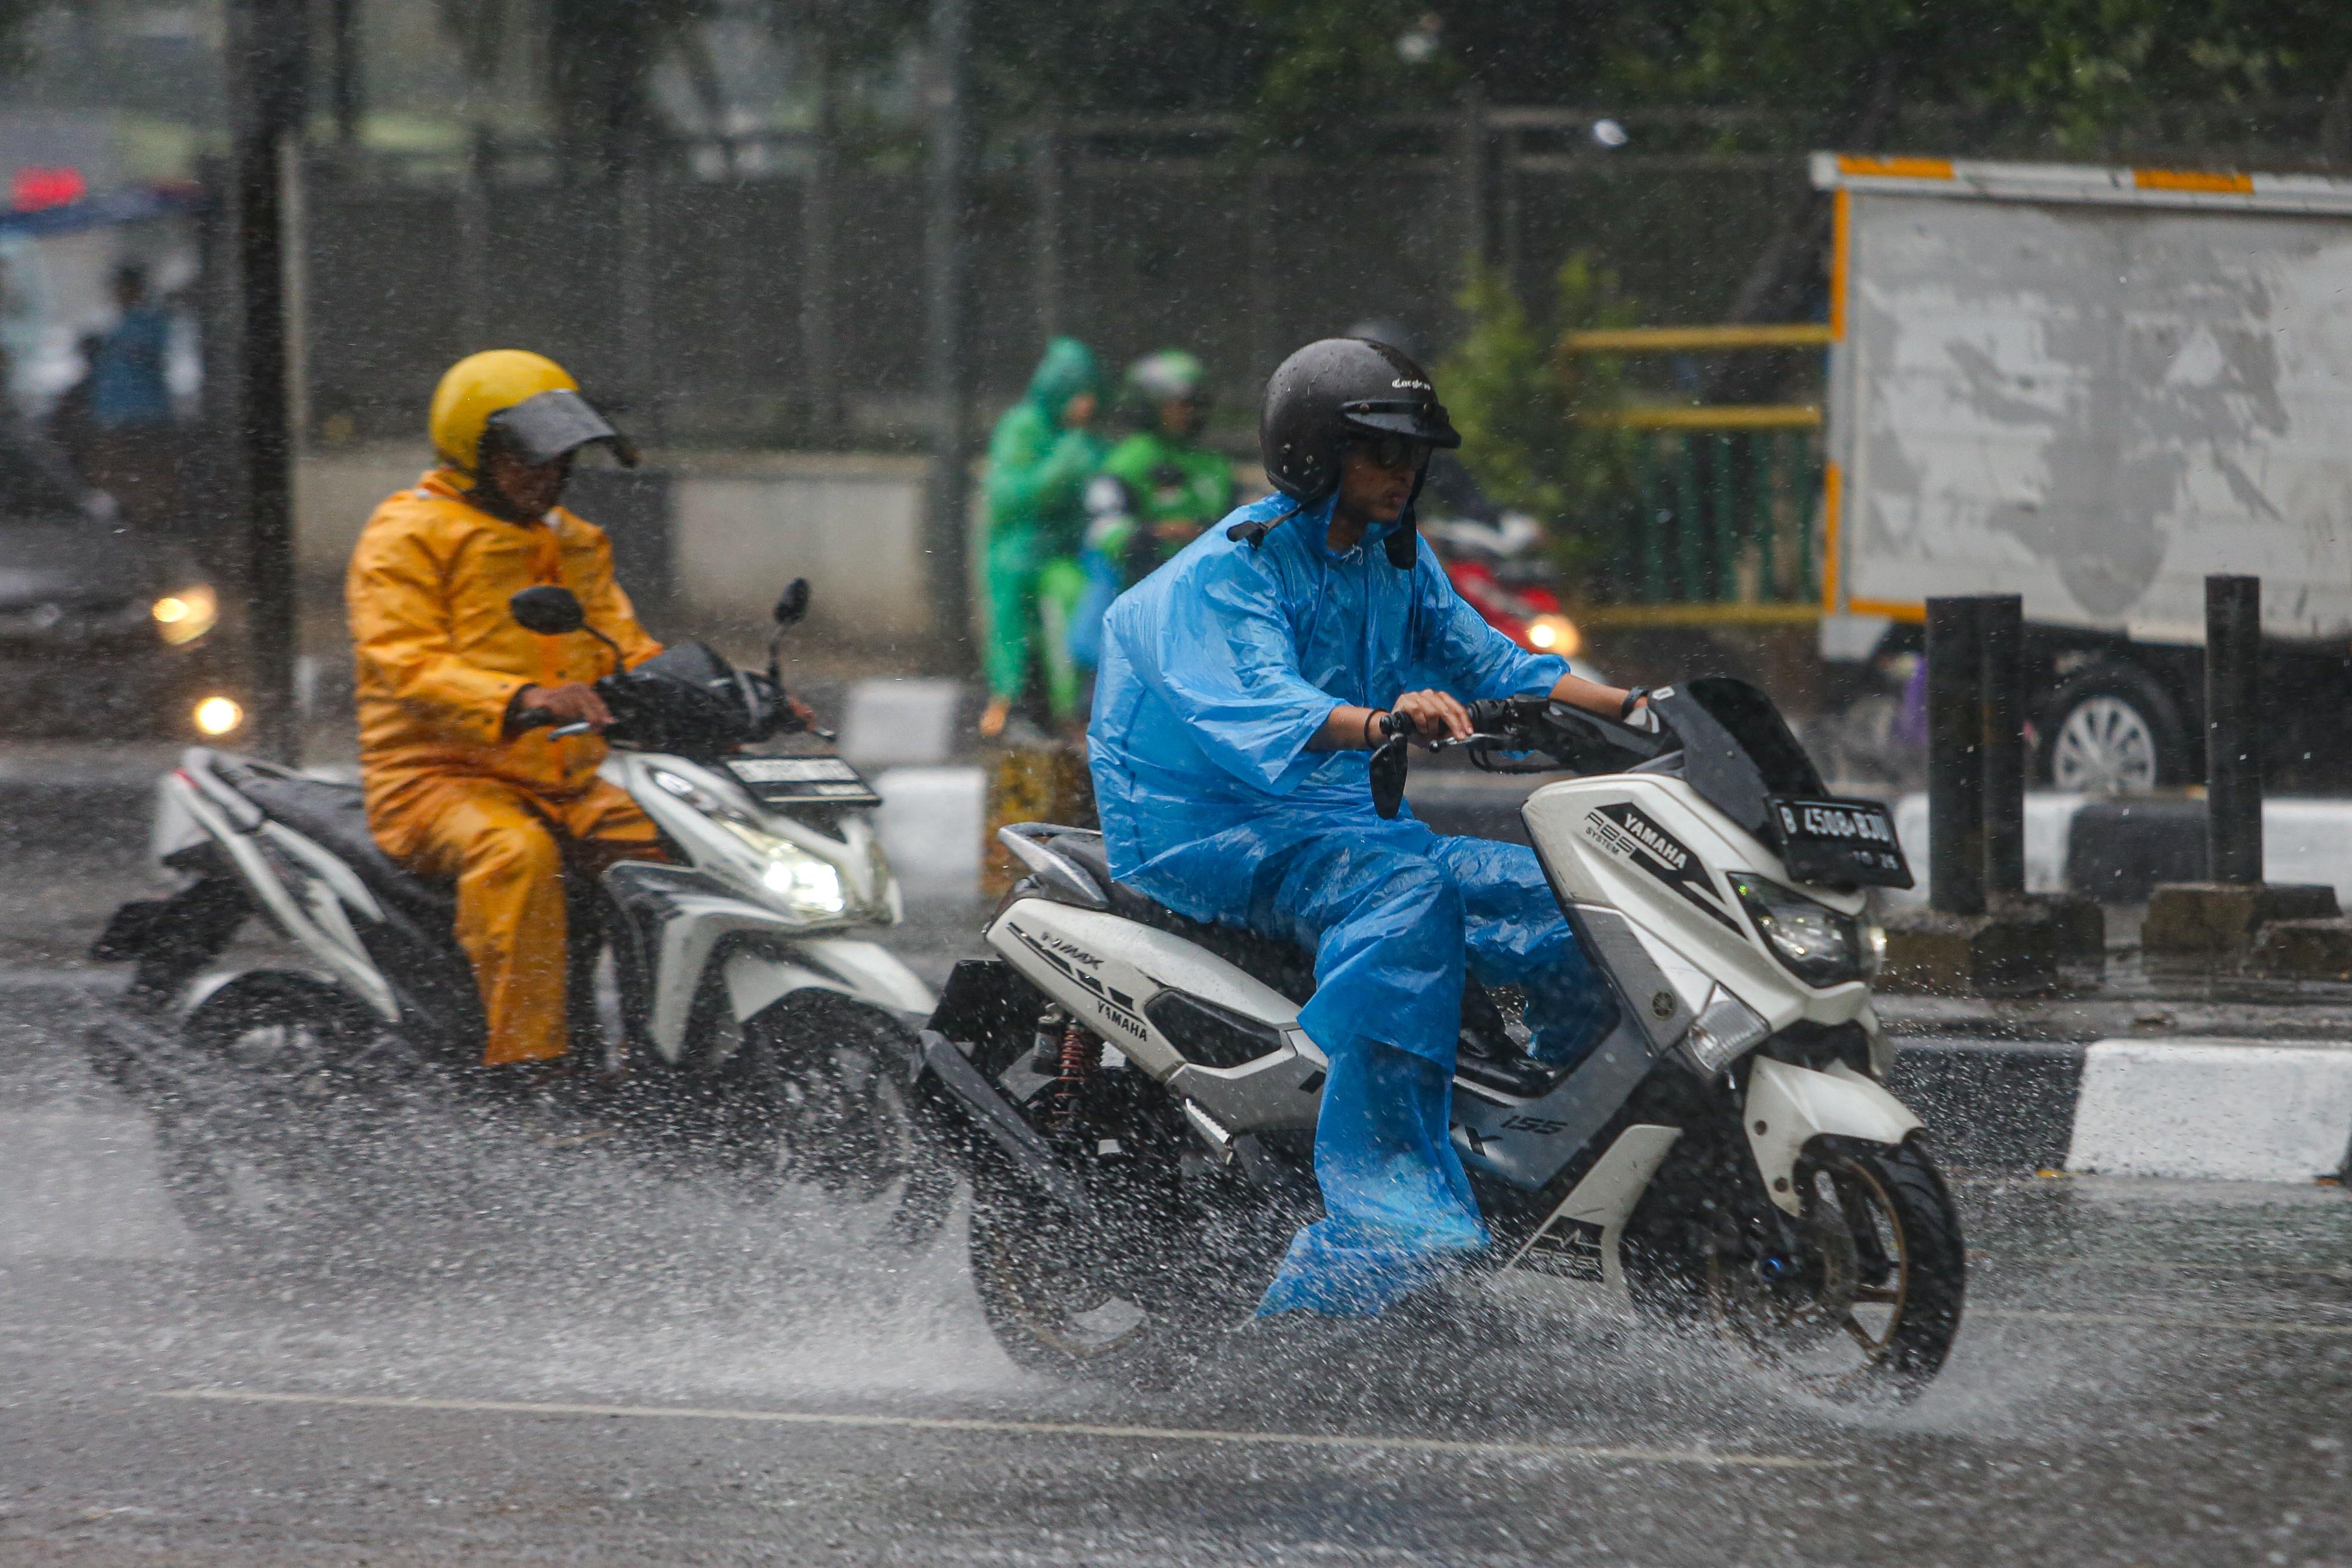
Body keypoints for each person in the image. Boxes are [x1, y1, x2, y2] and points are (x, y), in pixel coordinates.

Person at [1087, 337, 1647, 1318]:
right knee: (1409, 893)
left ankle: (1553, 1154)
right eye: (1379, 454)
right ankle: (1383, 1222)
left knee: (1570, 898)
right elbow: (1261, 700)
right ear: (1312, 453)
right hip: (1211, 830)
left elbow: (1488, 658)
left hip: (1337, 825)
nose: (1401, 474)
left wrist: (1644, 707)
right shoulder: (1233, 570)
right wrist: (1386, 720)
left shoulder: (1393, 556)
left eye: (1412, 456)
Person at [348, 350, 667, 1074]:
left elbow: (624, 648)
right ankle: (529, 1072)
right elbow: (407, 663)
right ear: (473, 451)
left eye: (559, 460)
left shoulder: (575, 542)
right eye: (527, 457)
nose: (546, 475)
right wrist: (520, 700)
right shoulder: (406, 536)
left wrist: (726, 696)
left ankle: (665, 1055)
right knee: (517, 858)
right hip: (438, 784)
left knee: (680, 846)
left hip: (569, 786)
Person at [1068, 349, 1235, 672]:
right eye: (1176, 404)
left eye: (1193, 402)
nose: (1187, 412)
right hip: (1139, 578)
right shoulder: (1127, 461)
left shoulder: (1213, 463)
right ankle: (1091, 683)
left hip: (1201, 581)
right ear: (1148, 406)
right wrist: (1152, 536)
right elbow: (1103, 529)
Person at [980, 337, 1105, 739]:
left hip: (1066, 551)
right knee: (1014, 617)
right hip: (1020, 549)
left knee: (1076, 599)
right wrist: (1063, 462)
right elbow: (1010, 494)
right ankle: (1010, 698)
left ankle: (1071, 708)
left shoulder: (1082, 438)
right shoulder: (1024, 426)